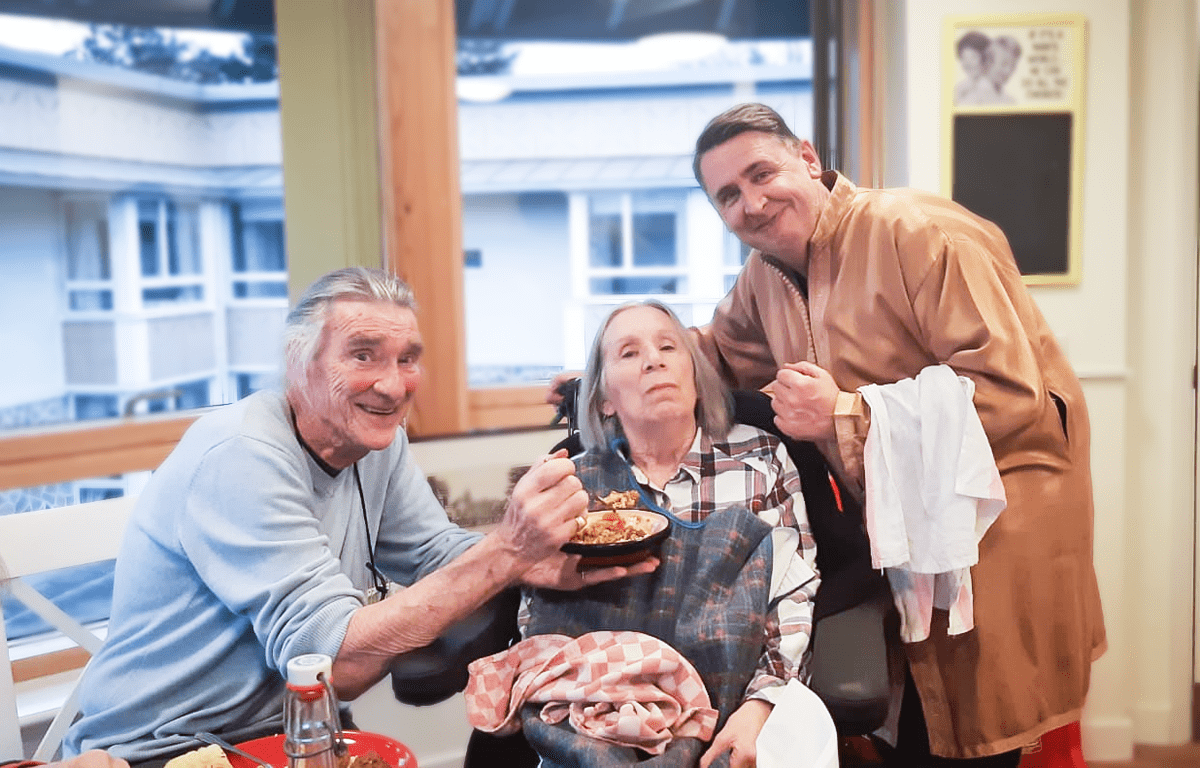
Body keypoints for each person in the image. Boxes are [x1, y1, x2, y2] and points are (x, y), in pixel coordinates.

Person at [63, 267, 655, 767]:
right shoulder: (241, 454)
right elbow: (329, 665)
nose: (393, 385)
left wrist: (538, 563)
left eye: (407, 359)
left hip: (290, 736)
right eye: (363, 356)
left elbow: (431, 553)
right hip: (161, 748)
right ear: (302, 367)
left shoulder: (374, 440)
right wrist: (506, 552)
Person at [685, 102, 1105, 765]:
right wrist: (630, 362)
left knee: (976, 735)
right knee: (926, 726)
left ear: (808, 158)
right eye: (728, 196)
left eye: (761, 173)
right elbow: (718, 353)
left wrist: (846, 416)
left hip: (996, 522)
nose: (752, 203)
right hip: (904, 529)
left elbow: (1012, 395)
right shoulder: (765, 277)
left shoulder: (922, 233)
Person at [510, 301, 819, 768]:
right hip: (593, 715)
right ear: (603, 399)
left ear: (695, 375)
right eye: (629, 353)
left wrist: (759, 708)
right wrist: (598, 716)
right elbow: (540, 624)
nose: (653, 359)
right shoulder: (571, 482)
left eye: (668, 346)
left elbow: (794, 597)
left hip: (733, 707)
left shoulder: (761, 461)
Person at [953, 30, 992, 105]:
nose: (968, 63)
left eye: (973, 57)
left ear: (985, 58)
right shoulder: (959, 88)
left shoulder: (992, 89)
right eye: (964, 58)